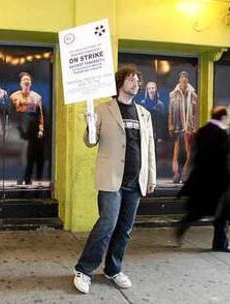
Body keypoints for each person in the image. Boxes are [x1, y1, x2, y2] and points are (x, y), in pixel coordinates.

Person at [73, 66, 156, 294]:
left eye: (138, 80)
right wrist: (90, 124)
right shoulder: (103, 109)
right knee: (107, 224)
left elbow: (149, 149)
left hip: (135, 181)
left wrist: (151, 176)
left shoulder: (143, 113)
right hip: (111, 179)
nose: (136, 83)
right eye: (131, 79)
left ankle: (113, 268)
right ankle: (84, 269)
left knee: (125, 228)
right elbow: (90, 141)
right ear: (120, 82)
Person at [175, 106, 230, 253]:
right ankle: (220, 244)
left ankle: (183, 226)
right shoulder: (221, 134)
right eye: (228, 117)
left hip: (205, 179)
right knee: (222, 213)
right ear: (222, 118)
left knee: (200, 210)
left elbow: (197, 156)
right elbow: (224, 159)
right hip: (221, 181)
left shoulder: (204, 130)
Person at [10, 72, 44, 185]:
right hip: (18, 130)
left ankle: (27, 178)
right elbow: (10, 115)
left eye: (28, 79)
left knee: (29, 156)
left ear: (31, 82)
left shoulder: (37, 97)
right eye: (24, 79)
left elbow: (40, 116)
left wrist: (41, 129)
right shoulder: (14, 97)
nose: (26, 81)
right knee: (18, 156)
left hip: (32, 131)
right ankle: (18, 178)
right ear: (20, 83)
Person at [168, 71, 197, 184]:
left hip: (189, 127)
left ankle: (185, 173)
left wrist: (195, 126)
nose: (184, 79)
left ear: (188, 80)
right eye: (182, 77)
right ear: (179, 79)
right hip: (177, 126)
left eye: (186, 77)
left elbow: (196, 113)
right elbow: (170, 111)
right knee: (176, 152)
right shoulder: (173, 94)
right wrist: (170, 126)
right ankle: (176, 174)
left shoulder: (193, 94)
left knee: (189, 152)